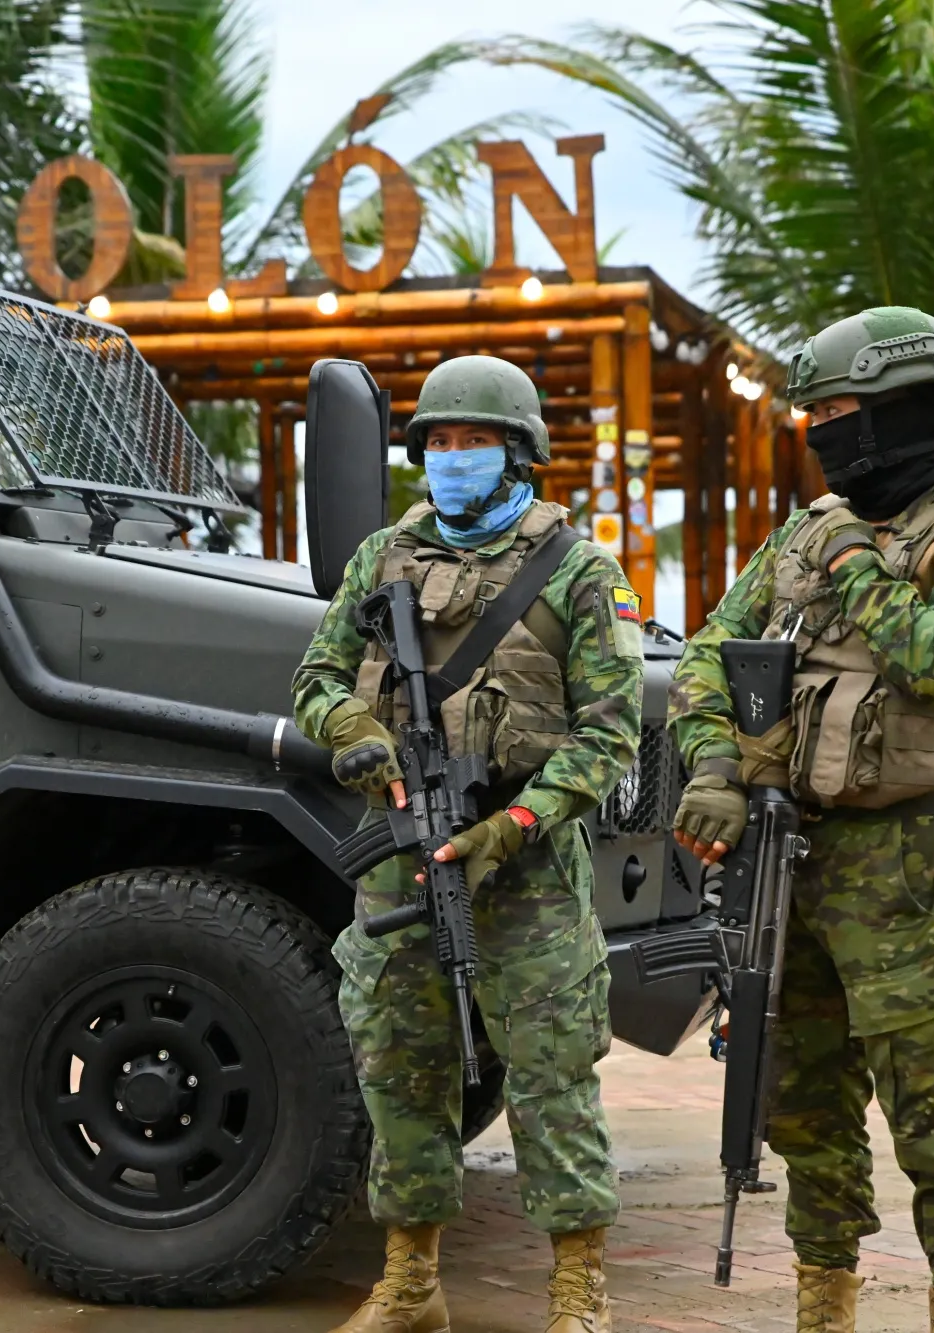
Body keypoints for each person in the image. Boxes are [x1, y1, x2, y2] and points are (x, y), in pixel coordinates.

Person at [667, 308, 934, 1333]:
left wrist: (848, 566)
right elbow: (707, 654)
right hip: (786, 854)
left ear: (904, 409)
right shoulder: (806, 530)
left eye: (840, 413)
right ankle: (821, 1308)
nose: (823, 435)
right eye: (813, 418)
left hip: (906, 863)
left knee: (932, 1117)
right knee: (802, 1109)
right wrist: (713, 773)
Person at [293, 354, 645, 1333]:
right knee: (401, 1062)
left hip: (525, 859)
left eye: (471, 441)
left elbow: (610, 733)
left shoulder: (577, 569)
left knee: (548, 1071)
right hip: (403, 850)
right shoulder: (381, 558)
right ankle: (410, 1282)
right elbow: (316, 683)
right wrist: (362, 742)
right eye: (437, 443)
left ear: (516, 452)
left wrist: (515, 823)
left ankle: (576, 1291)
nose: (451, 459)